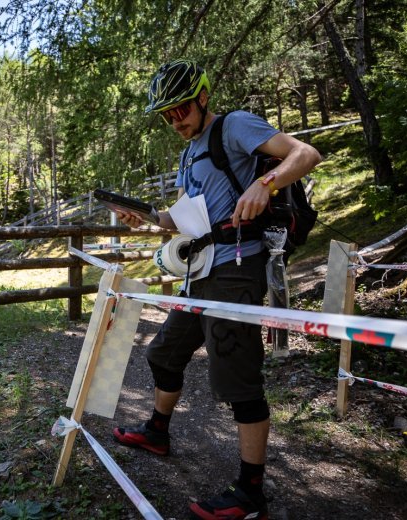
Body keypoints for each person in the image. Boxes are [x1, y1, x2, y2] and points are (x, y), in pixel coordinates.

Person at [112, 59, 321, 520]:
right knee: (163, 354)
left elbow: (306, 154)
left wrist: (267, 183)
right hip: (201, 271)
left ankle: (251, 495)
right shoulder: (189, 154)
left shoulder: (234, 127)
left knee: (236, 377)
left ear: (202, 97)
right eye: (166, 116)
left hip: (238, 268)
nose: (175, 121)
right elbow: (181, 221)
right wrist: (146, 219)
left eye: (180, 110)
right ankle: (157, 432)